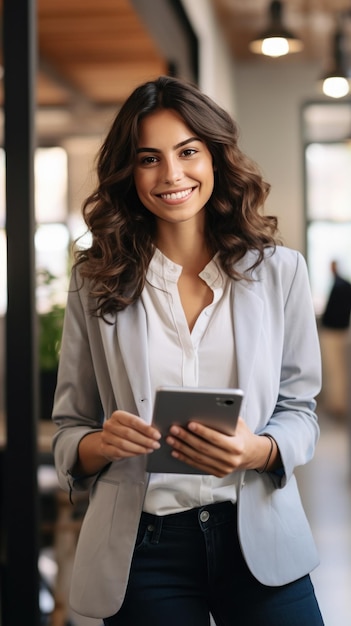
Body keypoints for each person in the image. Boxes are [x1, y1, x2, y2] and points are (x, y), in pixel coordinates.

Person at [52, 75, 324, 626]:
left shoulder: (280, 273)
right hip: (143, 549)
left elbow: (301, 412)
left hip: (259, 538)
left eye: (188, 152)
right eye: (149, 158)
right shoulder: (96, 279)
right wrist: (102, 444)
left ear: (215, 158)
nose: (172, 175)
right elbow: (68, 431)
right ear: (129, 173)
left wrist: (261, 451)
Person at [320, 259, 351, 417]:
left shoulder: (340, 286)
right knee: (338, 370)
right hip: (341, 332)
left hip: (333, 333)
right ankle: (337, 404)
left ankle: (337, 405)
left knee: (334, 370)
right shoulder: (345, 285)